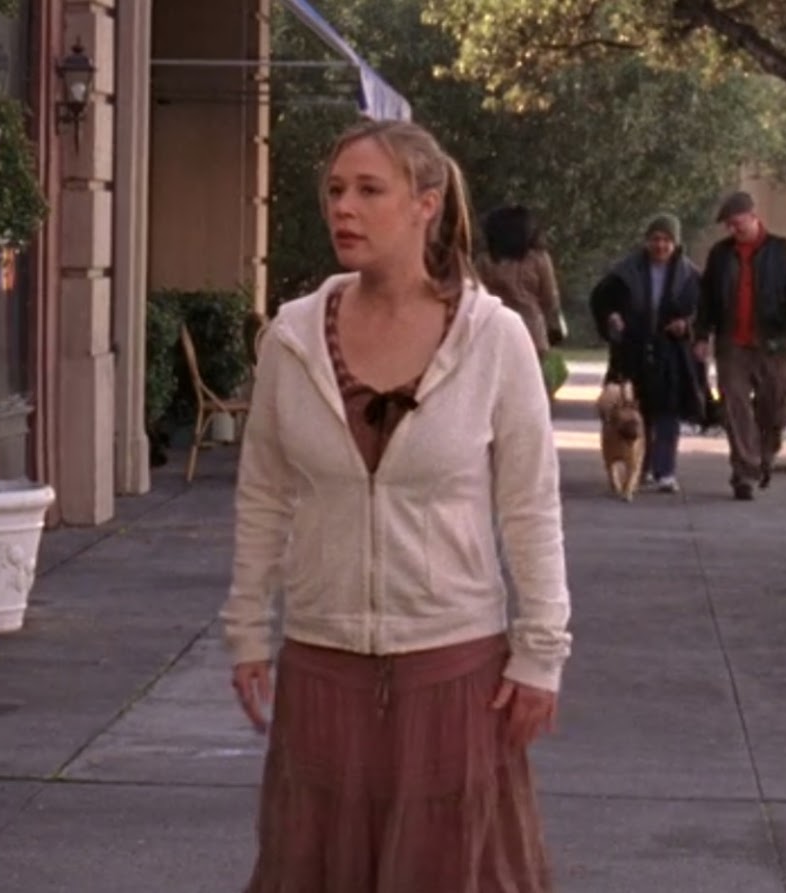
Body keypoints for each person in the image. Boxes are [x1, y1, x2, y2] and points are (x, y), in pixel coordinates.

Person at [221, 118, 572, 892]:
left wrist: (541, 653)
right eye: (335, 191)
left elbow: (530, 508)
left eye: (369, 190)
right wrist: (246, 627)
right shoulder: (292, 339)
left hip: (453, 669)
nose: (344, 207)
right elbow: (264, 495)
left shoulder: (493, 339)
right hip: (322, 661)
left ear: (426, 203)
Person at [693, 191, 786, 501]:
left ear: (753, 216)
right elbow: (707, 300)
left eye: (737, 222)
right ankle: (745, 471)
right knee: (735, 406)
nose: (733, 229)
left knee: (778, 408)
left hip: (772, 342)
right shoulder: (720, 255)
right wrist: (702, 335)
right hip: (733, 343)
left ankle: (764, 455)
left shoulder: (782, 252)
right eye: (729, 225)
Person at [588, 213, 705, 493]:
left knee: (667, 411)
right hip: (632, 348)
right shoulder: (624, 272)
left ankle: (665, 470)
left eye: (666, 240)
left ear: (676, 244)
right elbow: (600, 300)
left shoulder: (690, 276)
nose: (660, 245)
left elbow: (705, 311)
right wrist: (612, 317)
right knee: (635, 410)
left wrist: (687, 325)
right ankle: (639, 464)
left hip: (670, 351)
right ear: (646, 241)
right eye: (655, 239)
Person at [478, 204, 564, 358]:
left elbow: (476, 296)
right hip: (532, 333)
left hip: (494, 331)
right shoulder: (539, 259)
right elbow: (549, 298)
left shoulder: (485, 261)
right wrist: (554, 325)